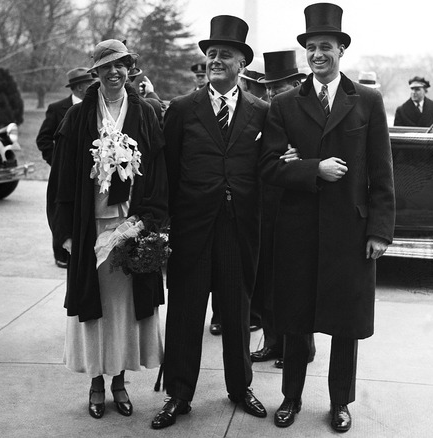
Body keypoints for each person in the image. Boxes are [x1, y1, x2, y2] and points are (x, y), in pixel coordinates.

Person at [260, 3, 395, 433]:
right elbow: (268, 167)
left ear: (342, 50)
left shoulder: (368, 101)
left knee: (345, 322)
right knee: (296, 318)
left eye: (326, 47)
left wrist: (379, 231)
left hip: (349, 232)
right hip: (297, 228)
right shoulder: (283, 104)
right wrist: (311, 168)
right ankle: (291, 398)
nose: (318, 55)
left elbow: (381, 172)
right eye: (312, 48)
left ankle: (340, 403)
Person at [152, 14, 269, 430]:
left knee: (237, 312)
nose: (216, 60)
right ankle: (178, 394)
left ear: (242, 63)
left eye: (226, 55)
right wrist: (162, 224)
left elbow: (267, 170)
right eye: (212, 54)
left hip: (239, 228)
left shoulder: (261, 111)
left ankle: (240, 388)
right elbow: (166, 170)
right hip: (192, 227)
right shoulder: (183, 109)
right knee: (185, 310)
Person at [50, 39, 168, 419]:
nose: (113, 72)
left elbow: (159, 172)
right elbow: (63, 178)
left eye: (120, 65)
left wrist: (149, 223)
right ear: (95, 73)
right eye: (105, 67)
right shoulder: (79, 117)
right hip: (90, 228)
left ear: (130, 67)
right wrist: (65, 232)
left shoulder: (146, 112)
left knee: (124, 309)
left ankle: (119, 382)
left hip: (131, 226)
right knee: (95, 309)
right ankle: (96, 383)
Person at [250, 49, 316, 370]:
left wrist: (297, 160)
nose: (274, 93)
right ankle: (272, 341)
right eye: (270, 87)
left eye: (281, 86)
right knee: (267, 279)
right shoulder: (266, 113)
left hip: (297, 208)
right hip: (266, 207)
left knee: (297, 283)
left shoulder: (310, 112)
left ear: (297, 82)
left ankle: (301, 348)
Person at [37, 67, 96, 269]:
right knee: (59, 209)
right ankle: (60, 254)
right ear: (79, 87)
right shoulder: (57, 108)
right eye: (89, 83)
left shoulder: (96, 107)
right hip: (63, 173)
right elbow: (43, 139)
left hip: (87, 172)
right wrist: (57, 161)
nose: (92, 86)